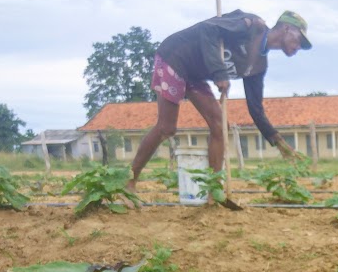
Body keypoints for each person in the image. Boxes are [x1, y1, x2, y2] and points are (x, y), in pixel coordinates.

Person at [127, 10, 311, 193]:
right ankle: (129, 181)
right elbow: (208, 29)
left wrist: (278, 142)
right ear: (286, 28)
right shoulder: (252, 26)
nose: (299, 47)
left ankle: (213, 192)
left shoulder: (259, 65)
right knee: (166, 128)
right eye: (300, 40)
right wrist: (220, 73)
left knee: (220, 125)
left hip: (194, 75)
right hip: (175, 57)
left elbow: (255, 109)